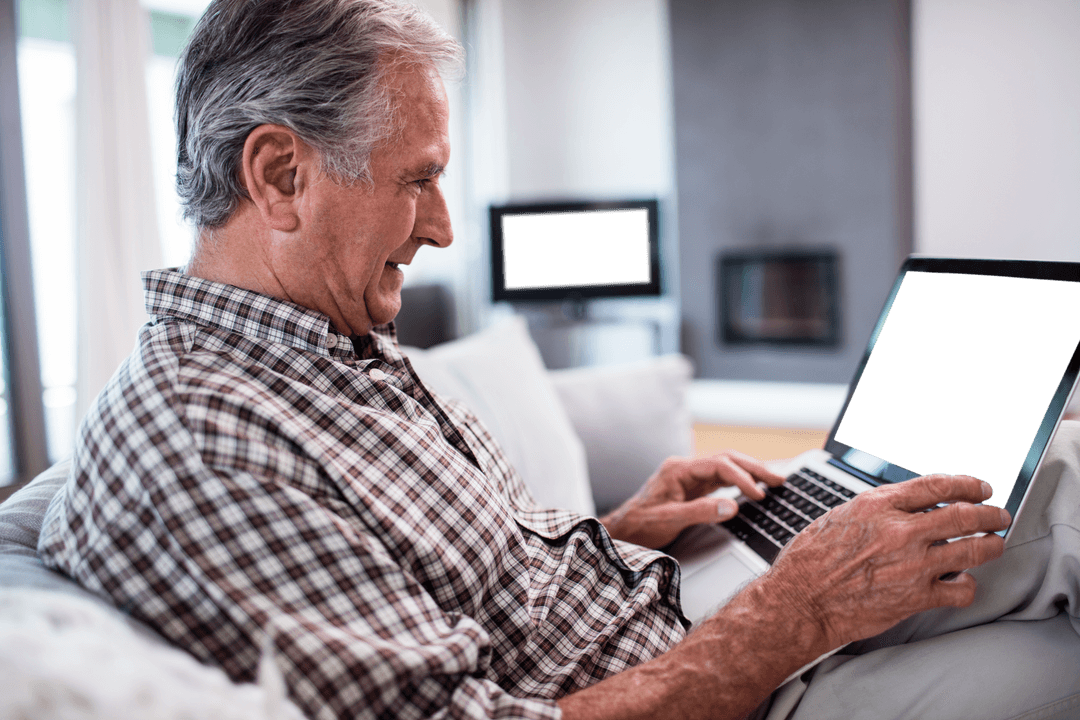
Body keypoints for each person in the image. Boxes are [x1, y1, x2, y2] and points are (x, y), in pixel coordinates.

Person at [36, 1, 1080, 719]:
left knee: (1037, 482)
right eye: (418, 180)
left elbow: (463, 587)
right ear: (279, 175)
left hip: (684, 610)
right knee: (1050, 498)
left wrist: (626, 530)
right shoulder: (211, 442)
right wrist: (797, 603)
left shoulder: (316, 348)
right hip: (719, 680)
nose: (443, 228)